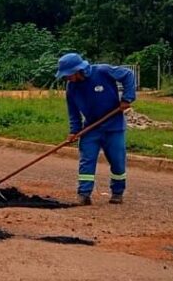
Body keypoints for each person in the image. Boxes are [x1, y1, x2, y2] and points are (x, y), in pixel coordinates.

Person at [56, 52, 135, 205]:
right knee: (87, 160)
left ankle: (117, 192)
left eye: (68, 75)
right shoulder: (71, 88)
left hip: (114, 126)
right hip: (91, 128)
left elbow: (128, 74)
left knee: (118, 161)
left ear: (78, 70)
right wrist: (74, 131)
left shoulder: (103, 71)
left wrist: (127, 98)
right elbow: (73, 112)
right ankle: (84, 194)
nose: (67, 78)